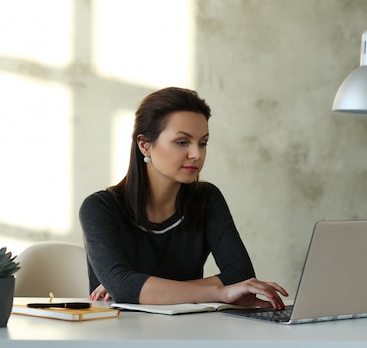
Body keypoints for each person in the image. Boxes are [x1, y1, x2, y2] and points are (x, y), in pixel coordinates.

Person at [79, 87, 288, 309]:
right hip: (118, 334)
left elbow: (241, 275)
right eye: (182, 142)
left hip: (190, 331)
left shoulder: (207, 198)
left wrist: (143, 290)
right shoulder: (99, 207)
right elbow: (123, 286)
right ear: (144, 145)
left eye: (203, 143)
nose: (196, 154)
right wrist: (220, 292)